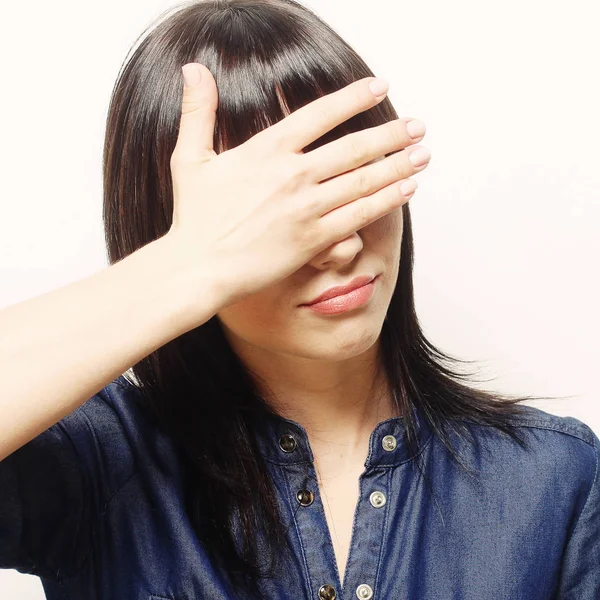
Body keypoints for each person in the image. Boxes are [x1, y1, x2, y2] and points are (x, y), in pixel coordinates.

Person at [1, 0, 598, 598]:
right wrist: (191, 265)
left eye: (347, 180)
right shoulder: (96, 464)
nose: (339, 247)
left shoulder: (553, 478)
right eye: (275, 214)